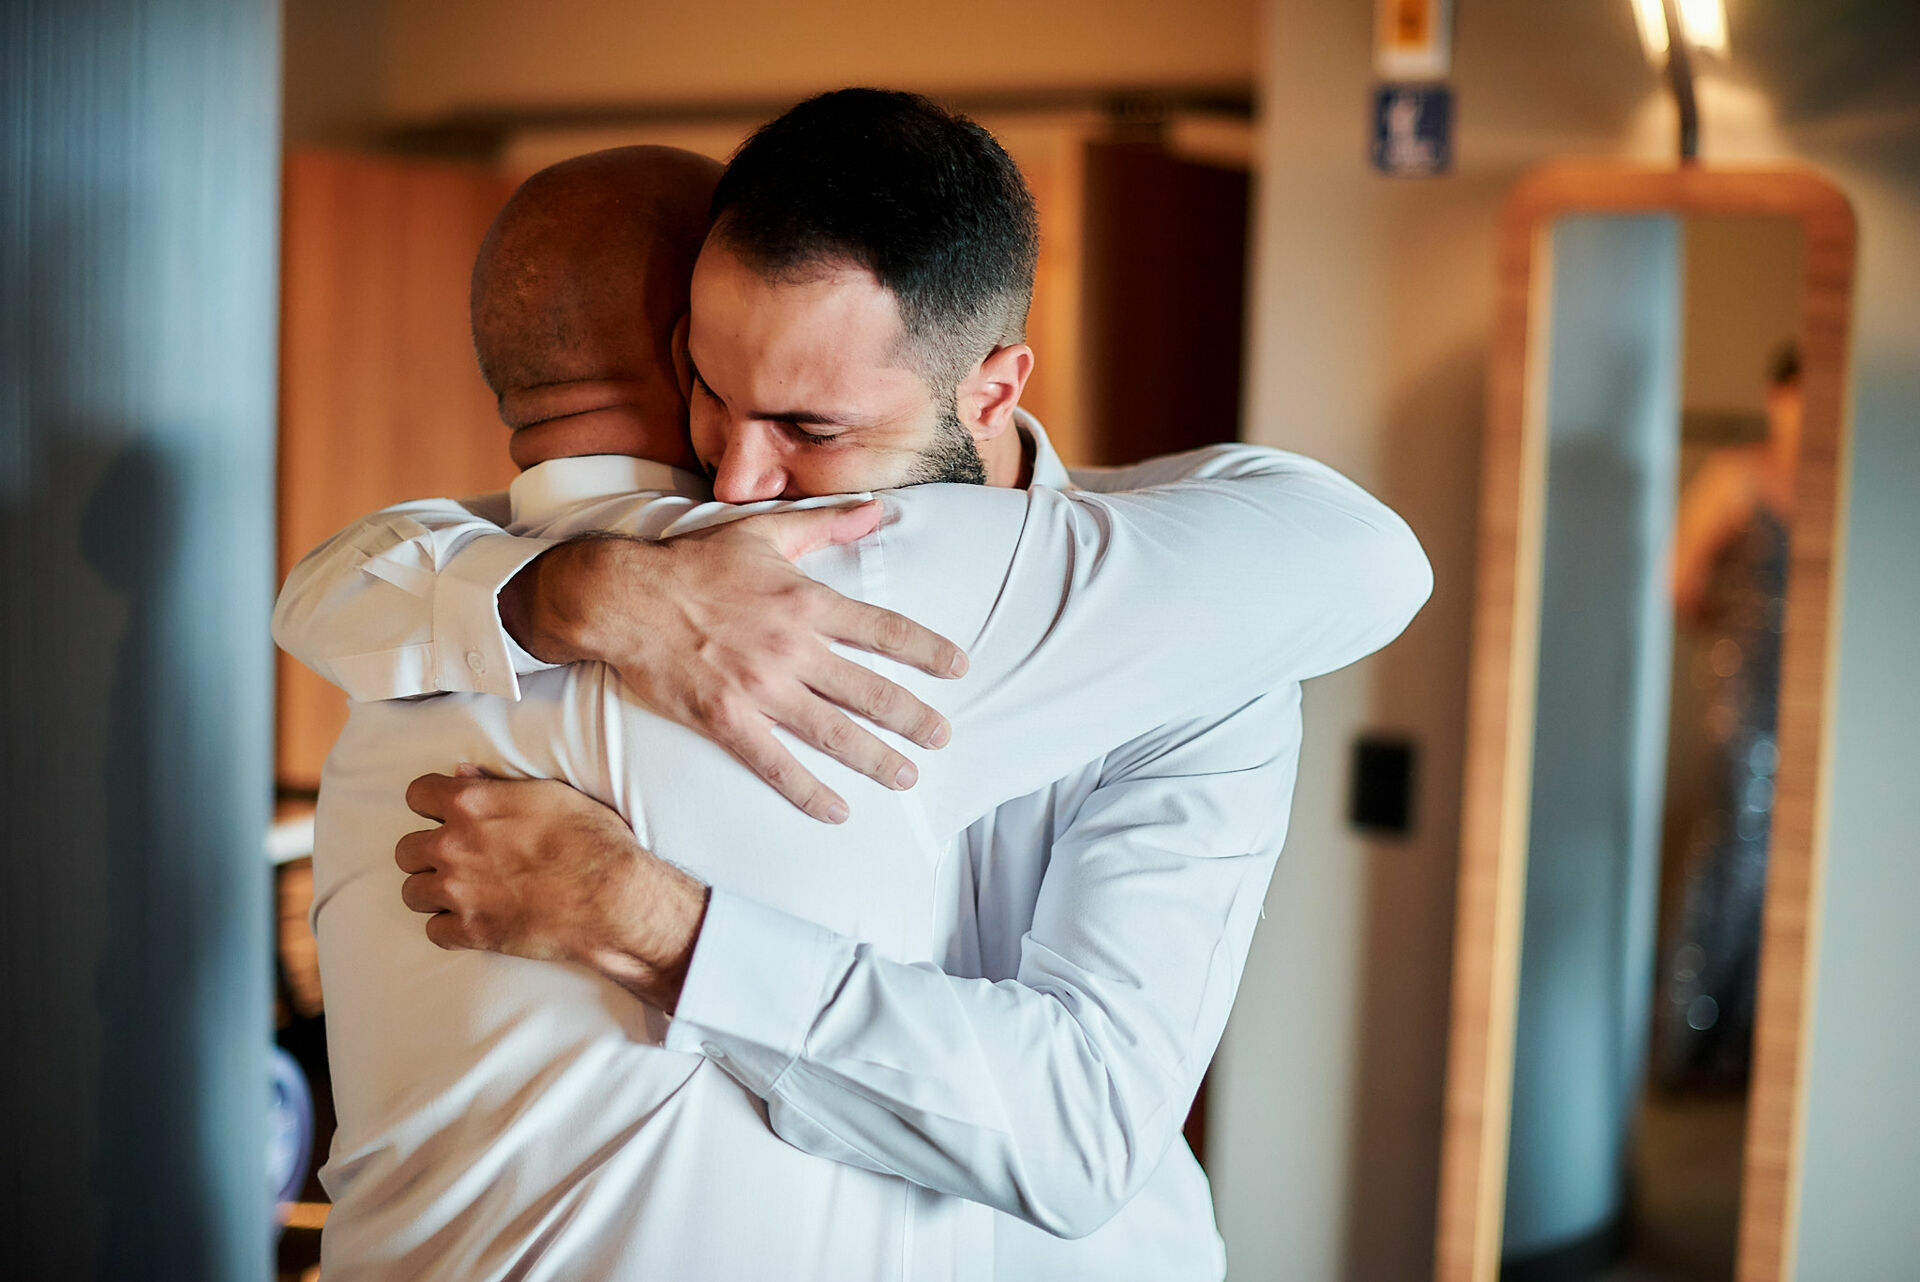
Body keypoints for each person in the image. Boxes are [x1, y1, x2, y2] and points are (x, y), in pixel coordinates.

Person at [276, 92, 1430, 1281]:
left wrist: (654, 925)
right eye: (710, 390)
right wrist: (566, 593)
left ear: (990, 391)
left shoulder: (1198, 625)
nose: (734, 477)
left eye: (808, 425)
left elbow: (1077, 1132)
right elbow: (368, 571)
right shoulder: (666, 566)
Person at [1657, 343, 1799, 1085]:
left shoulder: (1846, 478)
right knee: (1739, 850)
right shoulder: (1736, 475)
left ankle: (1751, 1042)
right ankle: (1694, 1039)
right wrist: (1733, 633)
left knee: (1789, 860)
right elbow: (1679, 581)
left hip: (1817, 695)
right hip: (1747, 684)